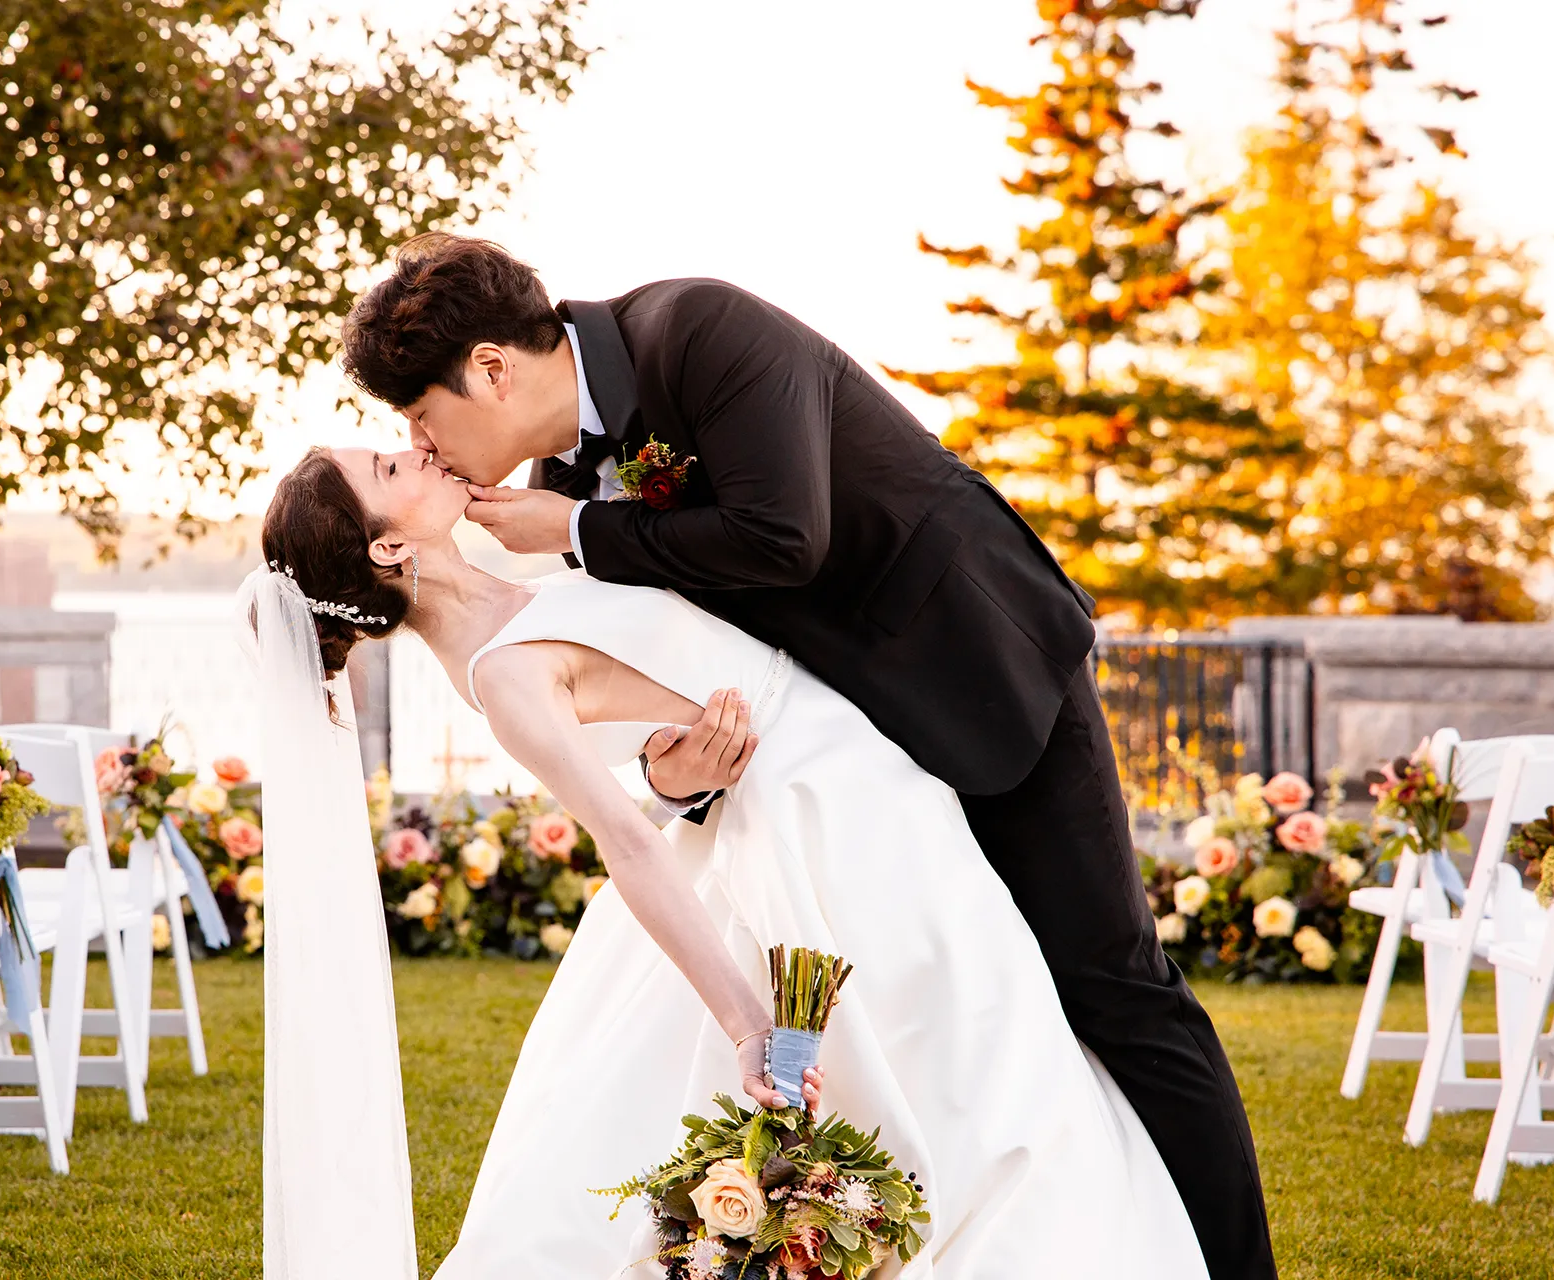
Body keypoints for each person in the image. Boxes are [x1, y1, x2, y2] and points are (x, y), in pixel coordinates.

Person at [336, 234, 1273, 1279]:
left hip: (983, 672)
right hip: (854, 771)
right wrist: (670, 776)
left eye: (420, 414)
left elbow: (786, 535)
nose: (423, 443)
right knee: (971, 1027)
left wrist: (587, 531)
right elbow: (672, 670)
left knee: (1113, 984)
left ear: (492, 370)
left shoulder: (695, 331)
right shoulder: (564, 485)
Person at [255, 443, 1206, 1276]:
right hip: (822, 813)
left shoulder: (524, 586)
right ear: (387, 547)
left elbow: (662, 721)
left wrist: (675, 779)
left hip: (858, 772)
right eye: (387, 469)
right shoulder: (501, 674)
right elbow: (625, 845)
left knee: (983, 1024)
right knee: (973, 1036)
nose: (414, 452)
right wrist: (750, 1024)